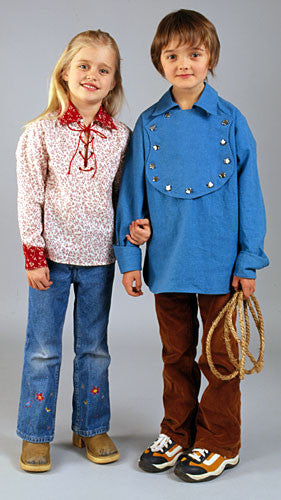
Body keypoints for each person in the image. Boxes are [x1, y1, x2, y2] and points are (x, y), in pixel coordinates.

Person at [114, 10, 269, 482]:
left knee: (219, 357)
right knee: (174, 354)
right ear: (159, 62)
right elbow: (131, 198)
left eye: (195, 54)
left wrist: (248, 260)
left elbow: (251, 198)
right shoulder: (148, 124)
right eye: (173, 55)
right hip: (167, 263)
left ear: (211, 59)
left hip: (221, 266)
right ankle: (177, 432)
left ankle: (221, 439)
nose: (184, 64)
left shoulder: (231, 120)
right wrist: (130, 259)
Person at [16, 29, 147, 472]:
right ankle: (35, 433)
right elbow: (29, 197)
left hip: (99, 262)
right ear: (66, 73)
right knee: (42, 349)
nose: (93, 74)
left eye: (103, 69)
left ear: (113, 83)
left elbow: (124, 196)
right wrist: (34, 257)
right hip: (50, 261)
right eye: (84, 66)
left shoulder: (121, 138)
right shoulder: (40, 133)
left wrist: (134, 230)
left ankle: (90, 426)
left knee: (94, 348)